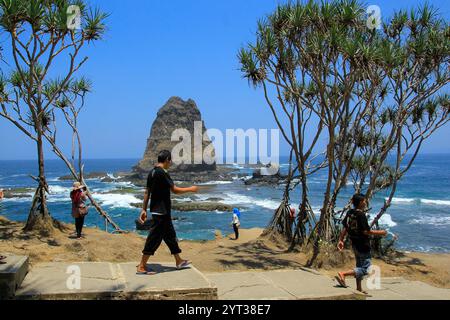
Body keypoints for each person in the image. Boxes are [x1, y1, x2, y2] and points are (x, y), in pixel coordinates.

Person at [137, 150, 199, 275]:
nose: (170, 163)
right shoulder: (163, 173)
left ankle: (179, 260)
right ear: (166, 160)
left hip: (158, 210)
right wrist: (190, 189)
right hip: (161, 212)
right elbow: (175, 190)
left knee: (170, 236)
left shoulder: (152, 172)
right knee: (154, 238)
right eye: (170, 160)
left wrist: (144, 209)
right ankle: (142, 266)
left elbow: (146, 192)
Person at [336, 193, 387, 294]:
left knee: (359, 266)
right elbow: (366, 231)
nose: (365, 202)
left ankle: (359, 288)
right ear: (360, 203)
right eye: (364, 201)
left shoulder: (350, 212)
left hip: (355, 244)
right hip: (363, 245)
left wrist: (341, 240)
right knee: (366, 269)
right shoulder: (361, 215)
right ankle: (343, 274)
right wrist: (381, 232)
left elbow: (346, 227)